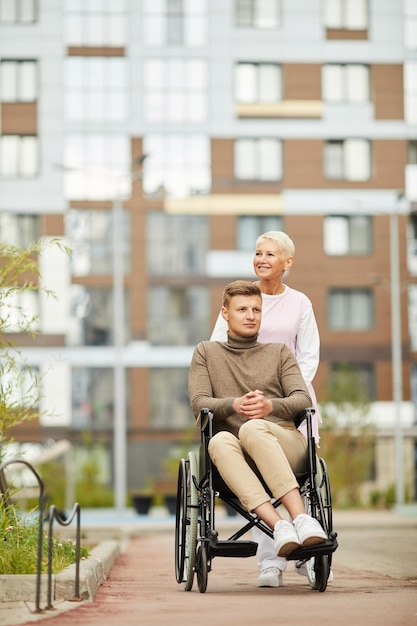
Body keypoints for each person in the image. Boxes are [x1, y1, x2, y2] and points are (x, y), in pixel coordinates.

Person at [210, 231, 322, 588]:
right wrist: (238, 400)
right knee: (259, 475)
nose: (261, 259)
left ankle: (307, 554)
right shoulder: (243, 296)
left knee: (296, 480)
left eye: (270, 254)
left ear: (287, 263)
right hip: (243, 406)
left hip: (287, 402)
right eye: (258, 253)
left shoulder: (300, 303)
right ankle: (270, 561)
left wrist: (283, 395)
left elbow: (308, 356)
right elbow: (217, 351)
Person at [188, 280, 327, 565]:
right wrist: (233, 404)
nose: (251, 315)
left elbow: (302, 398)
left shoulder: (279, 352)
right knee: (219, 439)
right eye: (242, 309)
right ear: (225, 313)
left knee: (252, 427)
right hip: (234, 456)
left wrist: (270, 406)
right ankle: (280, 526)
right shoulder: (206, 353)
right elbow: (199, 403)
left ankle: (302, 519)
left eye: (256, 309)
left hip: (284, 443)